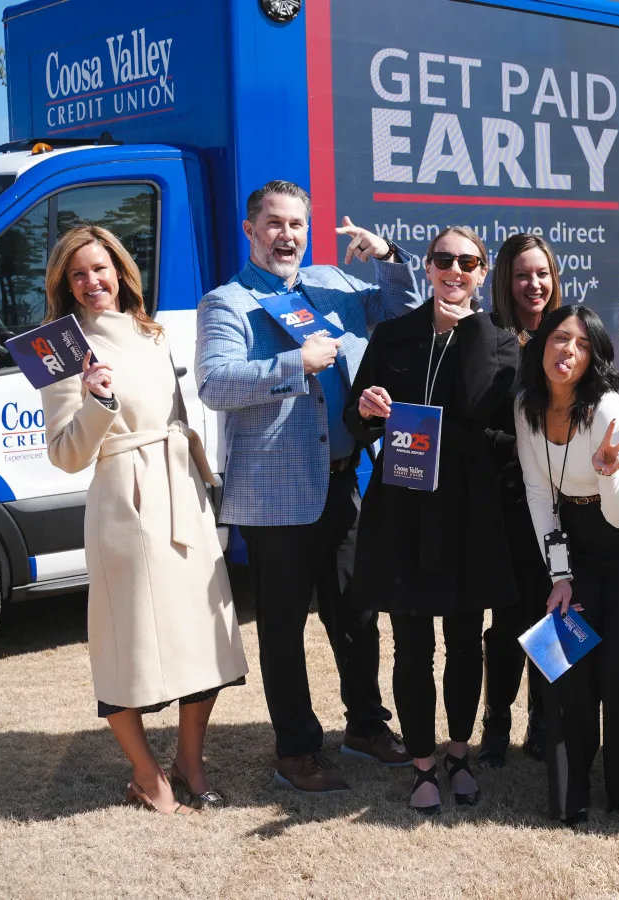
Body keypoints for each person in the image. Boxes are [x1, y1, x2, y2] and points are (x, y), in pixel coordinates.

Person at [196, 180, 414, 792]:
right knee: (285, 630)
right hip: (277, 492)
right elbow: (215, 384)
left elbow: (404, 312)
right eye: (274, 224)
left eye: (296, 224)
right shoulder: (227, 303)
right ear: (250, 229)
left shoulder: (334, 286)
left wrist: (389, 256)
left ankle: (367, 727)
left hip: (345, 484)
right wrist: (295, 364)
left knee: (357, 616)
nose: (286, 235)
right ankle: (295, 749)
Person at [41, 225, 247, 814]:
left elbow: (176, 414)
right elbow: (66, 455)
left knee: (202, 640)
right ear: (63, 285)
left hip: (181, 492)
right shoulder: (60, 347)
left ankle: (190, 761)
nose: (91, 282)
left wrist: (201, 484)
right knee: (125, 645)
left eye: (100, 269)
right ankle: (146, 775)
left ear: (120, 271)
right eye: (77, 274)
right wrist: (97, 403)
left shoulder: (149, 331)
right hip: (123, 506)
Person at [345, 226, 521, 814]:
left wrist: (464, 328)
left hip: (467, 512)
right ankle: (422, 764)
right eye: (444, 259)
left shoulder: (497, 338)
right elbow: (354, 418)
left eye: (467, 262)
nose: (454, 269)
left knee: (465, 642)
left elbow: (474, 406)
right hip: (402, 508)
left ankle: (460, 752)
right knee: (412, 647)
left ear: (481, 268)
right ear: (427, 265)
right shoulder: (394, 334)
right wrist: (368, 409)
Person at [515, 305, 619, 824]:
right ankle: (567, 796)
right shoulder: (526, 406)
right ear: (541, 345)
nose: (569, 352)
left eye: (582, 345)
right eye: (560, 339)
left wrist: (608, 472)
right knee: (563, 665)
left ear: (592, 356)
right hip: (574, 541)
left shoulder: (607, 408)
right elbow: (539, 494)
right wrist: (559, 576)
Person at [478, 233, 563, 767]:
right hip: (509, 504)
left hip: (563, 504)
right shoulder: (486, 338)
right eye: (523, 275)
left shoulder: (568, 334)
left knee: (553, 615)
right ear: (505, 282)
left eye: (543, 274)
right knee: (508, 623)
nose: (534, 285)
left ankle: (544, 720)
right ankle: (496, 726)